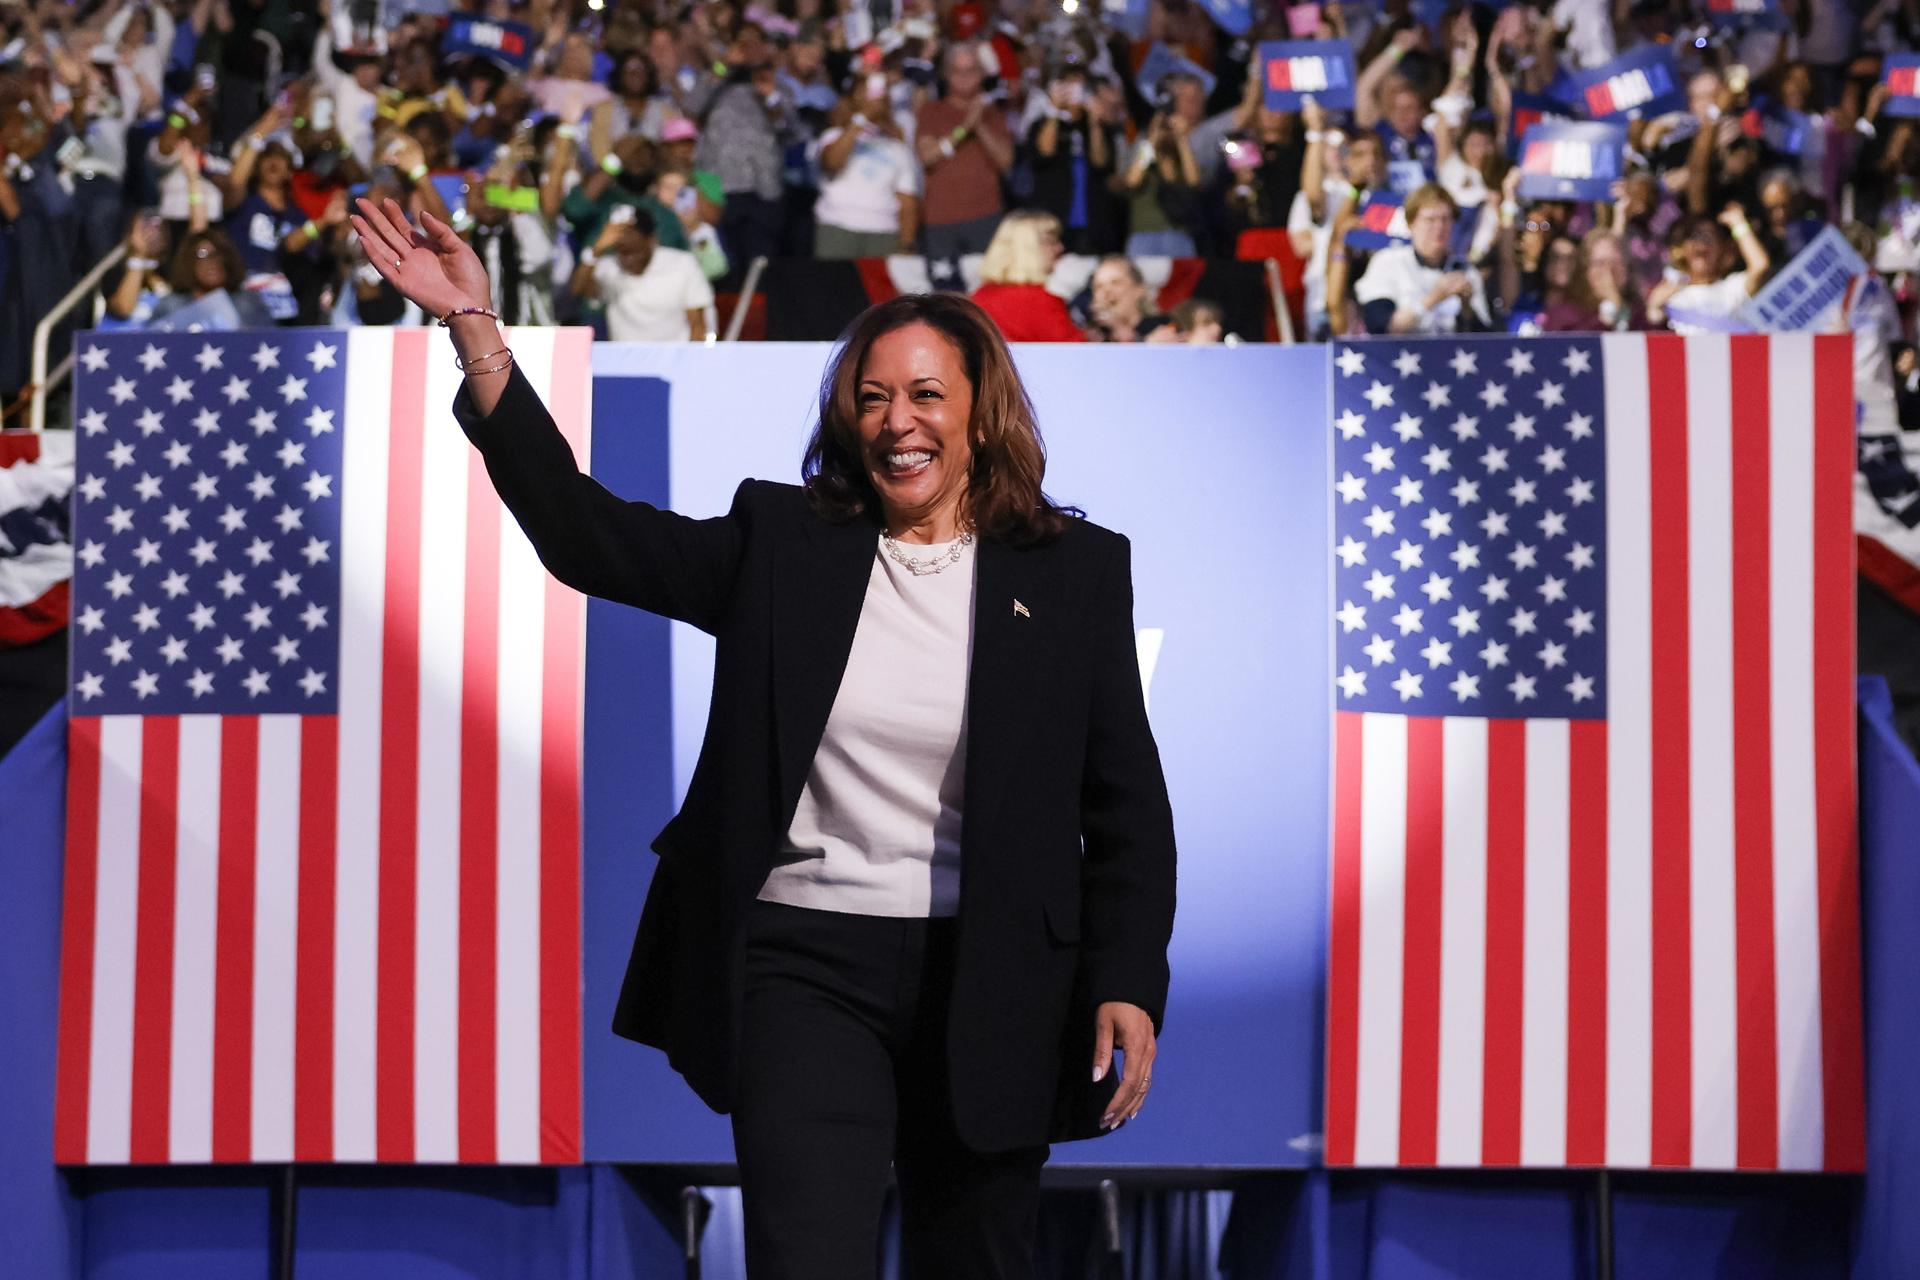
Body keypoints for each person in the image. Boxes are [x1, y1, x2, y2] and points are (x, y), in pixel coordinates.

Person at [352, 194, 1174, 1280]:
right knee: (806, 1256)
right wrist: (478, 336)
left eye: (927, 394)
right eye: (872, 397)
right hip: (804, 962)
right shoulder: (785, 542)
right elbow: (587, 534)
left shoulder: (1072, 572)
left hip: (996, 970)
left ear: (981, 414)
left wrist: (1127, 972)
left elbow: (1124, 803)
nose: (897, 420)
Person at [914, 42, 1013, 260]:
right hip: (940, 218)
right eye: (957, 71)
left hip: (986, 215)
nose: (964, 77)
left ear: (981, 74)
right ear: (947, 74)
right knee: (943, 291)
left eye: (971, 71)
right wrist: (964, 128)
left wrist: (980, 126)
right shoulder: (932, 111)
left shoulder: (994, 114)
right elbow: (927, 156)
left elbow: (1006, 162)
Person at [1353, 182, 1491, 334]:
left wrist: (1466, 308)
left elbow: (1484, 339)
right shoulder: (1387, 262)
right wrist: (1434, 298)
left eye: (1446, 219)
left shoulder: (1466, 271)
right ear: (1412, 223)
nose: (1439, 227)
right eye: (1430, 220)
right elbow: (1380, 326)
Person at [811, 74, 922, 258]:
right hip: (837, 229)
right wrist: (862, 119)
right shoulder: (833, 136)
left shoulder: (897, 147)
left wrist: (907, 244)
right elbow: (832, 162)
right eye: (865, 92)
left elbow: (907, 201)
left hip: (883, 233)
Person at [569, 206, 715, 342]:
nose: (628, 259)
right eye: (623, 252)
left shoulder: (682, 264)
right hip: (627, 364)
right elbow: (577, 289)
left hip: (673, 364)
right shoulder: (610, 267)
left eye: (634, 252)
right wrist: (597, 249)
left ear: (652, 240)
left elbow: (698, 326)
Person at [970, 208, 1083, 341]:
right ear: (1027, 250)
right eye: (1051, 241)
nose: (1060, 248)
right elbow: (1076, 353)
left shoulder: (977, 299)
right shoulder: (1041, 302)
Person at [1085, 254, 1169, 342]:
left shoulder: (1163, 328)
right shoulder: (1093, 339)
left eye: (1116, 282)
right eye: (1099, 286)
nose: (1106, 291)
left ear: (1139, 289)